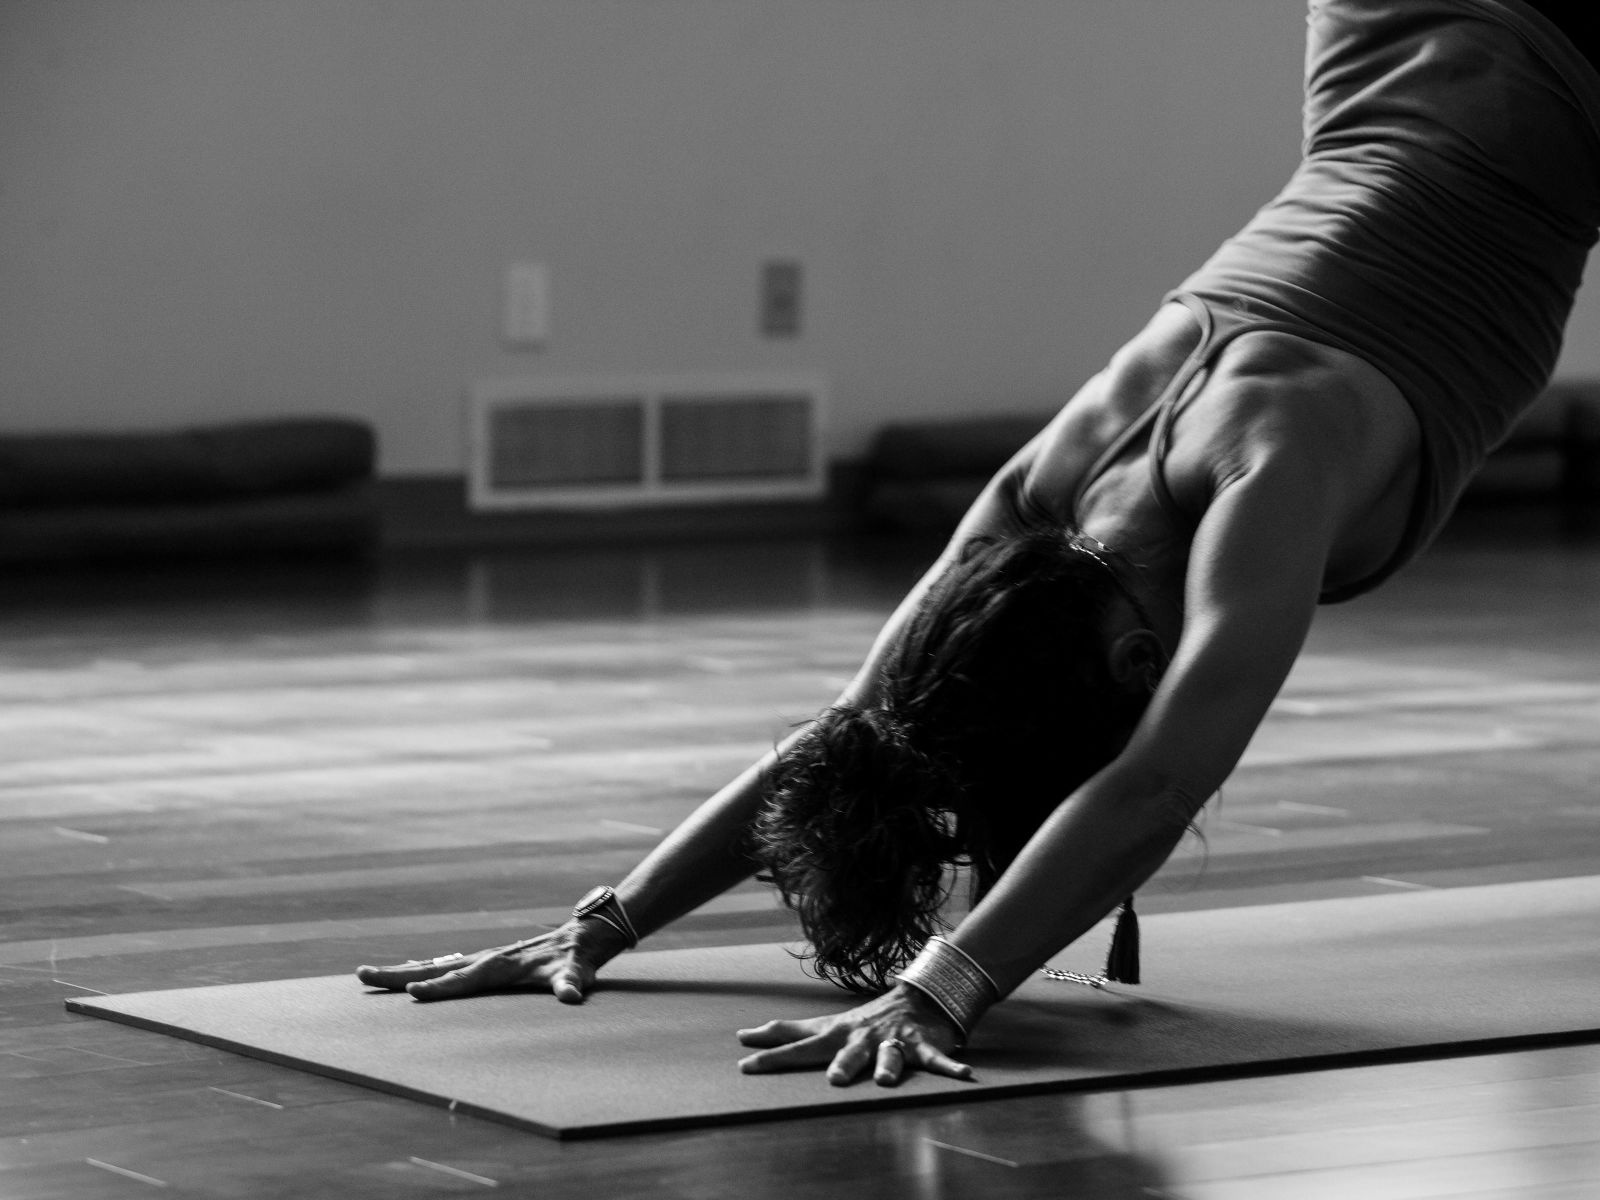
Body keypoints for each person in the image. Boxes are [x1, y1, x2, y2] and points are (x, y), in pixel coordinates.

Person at [358, 0, 1600, 1088]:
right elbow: (849, 734)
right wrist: (605, 923)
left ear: (1126, 671)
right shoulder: (1032, 508)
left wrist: (943, 987)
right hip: (1381, 41)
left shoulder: (1262, 478)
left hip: (1547, 82)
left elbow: (1154, 785)